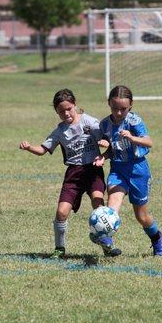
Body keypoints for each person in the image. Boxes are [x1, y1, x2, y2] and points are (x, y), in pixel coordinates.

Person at [19, 89, 120, 259]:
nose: (66, 113)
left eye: (68, 109)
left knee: (98, 205)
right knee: (61, 212)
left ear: (75, 104)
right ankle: (59, 248)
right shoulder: (60, 131)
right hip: (73, 174)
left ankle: (107, 245)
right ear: (56, 111)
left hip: (93, 170)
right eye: (61, 111)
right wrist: (29, 147)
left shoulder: (90, 122)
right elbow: (43, 149)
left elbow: (108, 140)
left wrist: (104, 142)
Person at [94, 85, 162, 257]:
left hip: (138, 170)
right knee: (112, 204)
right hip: (118, 170)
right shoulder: (105, 124)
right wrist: (104, 156)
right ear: (109, 103)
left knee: (142, 217)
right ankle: (107, 240)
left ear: (131, 105)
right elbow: (114, 149)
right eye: (115, 108)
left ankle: (157, 238)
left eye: (123, 109)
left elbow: (149, 142)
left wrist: (132, 137)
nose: (118, 113)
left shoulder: (134, 121)